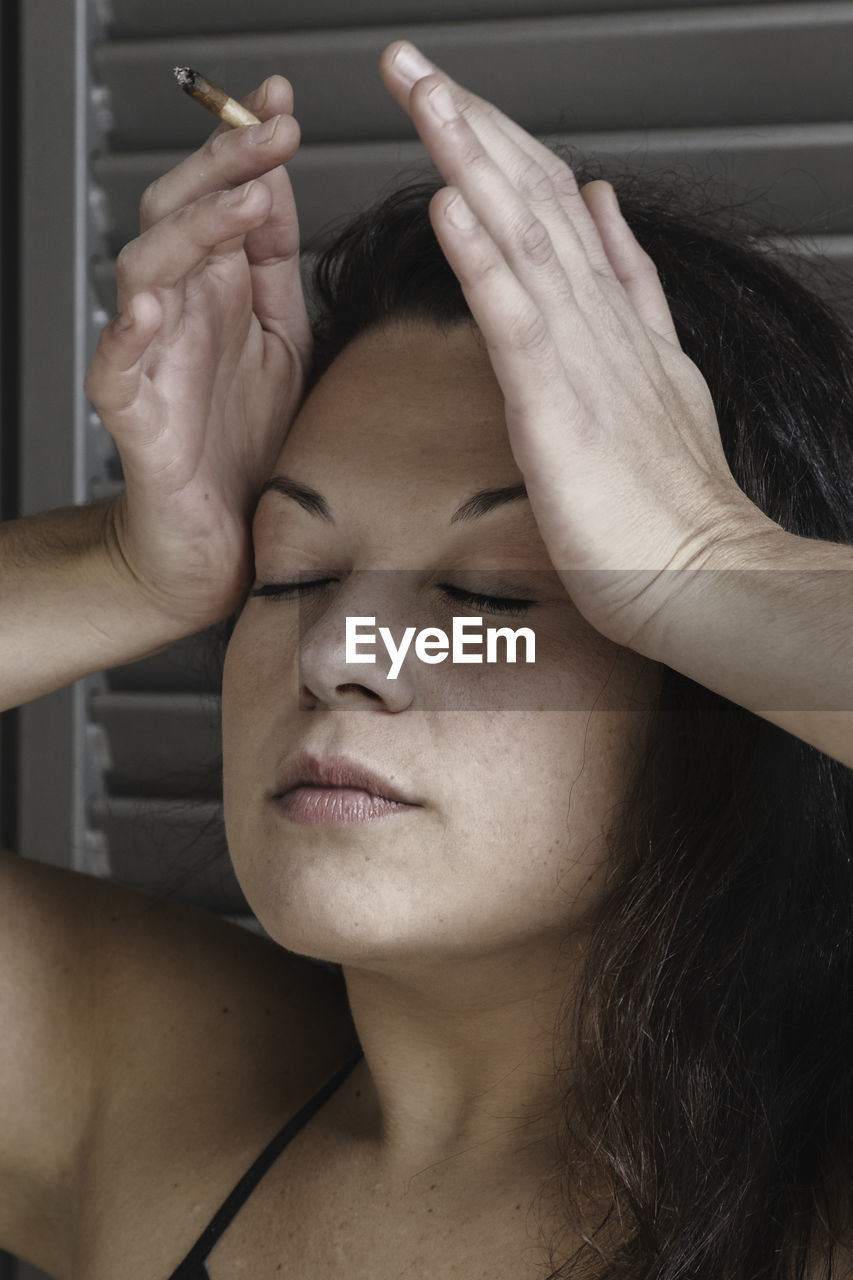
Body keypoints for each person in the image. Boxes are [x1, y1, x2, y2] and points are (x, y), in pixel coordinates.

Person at [0, 38, 851, 1280]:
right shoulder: (137, 1093)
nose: (344, 652)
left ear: (712, 669)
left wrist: (708, 552)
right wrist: (128, 565)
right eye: (290, 573)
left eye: (487, 591)